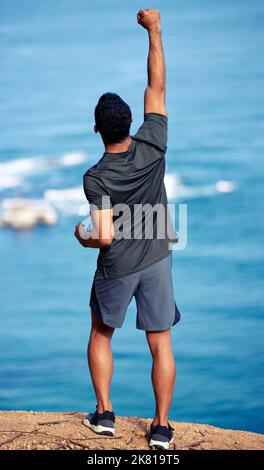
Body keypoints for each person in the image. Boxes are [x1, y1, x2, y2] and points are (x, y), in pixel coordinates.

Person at [75, 9, 181, 450]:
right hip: (156, 258)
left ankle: (104, 415)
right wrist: (155, 30)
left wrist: (80, 236)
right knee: (161, 343)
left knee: (102, 331)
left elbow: (102, 235)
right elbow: (156, 84)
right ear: (129, 124)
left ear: (98, 129)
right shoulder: (154, 141)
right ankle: (160, 428)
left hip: (117, 265)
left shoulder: (96, 177)